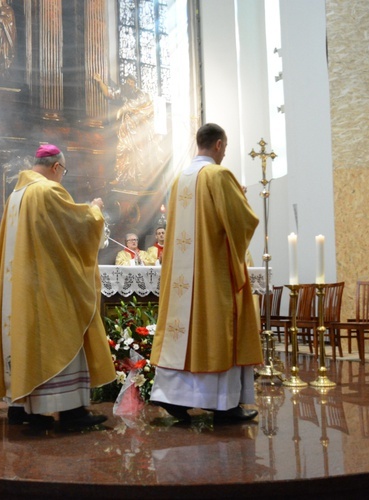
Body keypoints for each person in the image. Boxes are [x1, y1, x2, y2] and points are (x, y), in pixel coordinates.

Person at [0, 144, 115, 431]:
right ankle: (71, 412)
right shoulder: (47, 191)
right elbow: (78, 229)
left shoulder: (17, 194)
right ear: (56, 167)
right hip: (47, 288)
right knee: (61, 337)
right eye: (63, 171)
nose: (62, 177)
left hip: (20, 291)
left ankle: (20, 407)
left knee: (22, 342)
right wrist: (95, 211)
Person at [149, 123, 263, 425]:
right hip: (213, 274)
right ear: (218, 145)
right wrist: (242, 197)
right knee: (217, 329)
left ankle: (172, 397)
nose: (224, 152)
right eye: (224, 147)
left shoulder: (179, 180)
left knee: (181, 335)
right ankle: (223, 405)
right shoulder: (218, 175)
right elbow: (243, 221)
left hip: (181, 280)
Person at [93, 74, 168, 189]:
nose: (129, 83)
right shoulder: (125, 92)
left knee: (139, 154)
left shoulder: (142, 94)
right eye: (127, 81)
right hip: (127, 129)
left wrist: (123, 108)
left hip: (139, 129)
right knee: (121, 150)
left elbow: (140, 104)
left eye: (131, 81)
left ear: (134, 83)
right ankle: (121, 177)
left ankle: (142, 179)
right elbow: (110, 93)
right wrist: (100, 82)